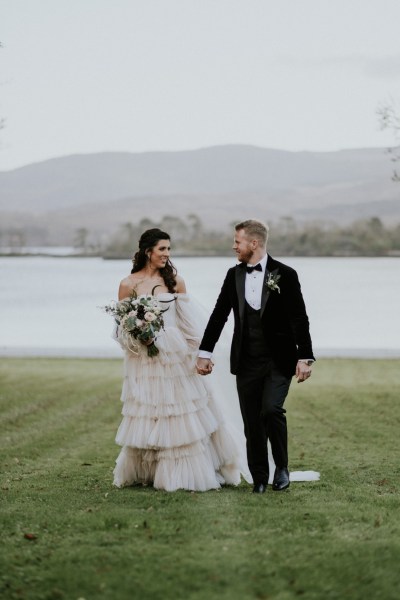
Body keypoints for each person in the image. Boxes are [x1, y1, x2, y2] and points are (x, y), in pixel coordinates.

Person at [112, 228, 244, 492]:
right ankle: (147, 471)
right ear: (147, 251)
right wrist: (140, 337)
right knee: (150, 413)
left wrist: (200, 353)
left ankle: (182, 473)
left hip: (175, 356)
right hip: (145, 361)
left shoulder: (175, 282)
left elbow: (187, 322)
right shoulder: (128, 284)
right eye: (162, 249)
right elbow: (120, 328)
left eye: (169, 249)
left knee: (179, 414)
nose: (167, 254)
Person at [196, 219, 316, 494]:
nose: (233, 246)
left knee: (271, 410)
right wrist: (205, 352)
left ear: (254, 243)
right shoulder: (233, 275)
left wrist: (305, 356)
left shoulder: (285, 274)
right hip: (246, 360)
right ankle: (260, 477)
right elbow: (218, 316)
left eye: (237, 242)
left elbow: (299, 318)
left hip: (279, 360)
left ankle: (282, 468)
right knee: (252, 421)